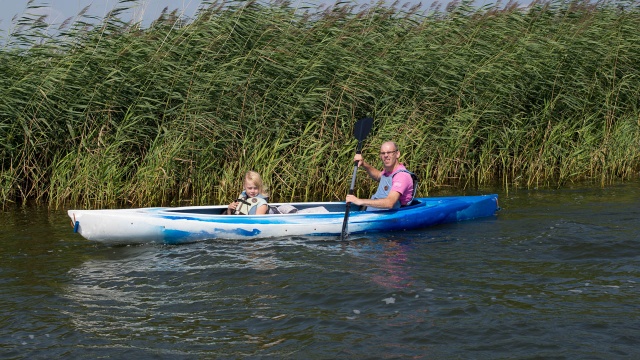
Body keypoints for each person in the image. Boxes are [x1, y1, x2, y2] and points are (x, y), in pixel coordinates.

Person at [345, 141, 417, 211]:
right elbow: (378, 176)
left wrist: (359, 201)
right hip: (377, 212)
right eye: (383, 153)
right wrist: (364, 164)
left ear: (397, 154)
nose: (386, 155)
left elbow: (390, 203)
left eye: (389, 152)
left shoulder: (402, 176)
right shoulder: (388, 172)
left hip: (393, 216)